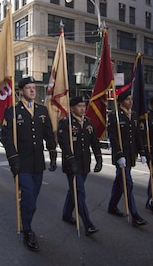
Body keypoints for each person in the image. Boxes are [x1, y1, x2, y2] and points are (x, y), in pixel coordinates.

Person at [1, 77, 57, 251]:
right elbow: (7, 138)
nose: (33, 90)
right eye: (28, 88)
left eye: (34, 88)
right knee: (29, 198)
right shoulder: (12, 111)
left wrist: (53, 153)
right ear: (21, 91)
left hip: (38, 163)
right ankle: (27, 230)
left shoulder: (41, 110)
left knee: (32, 199)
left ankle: (25, 216)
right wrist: (13, 160)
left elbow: (48, 132)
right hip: (22, 162)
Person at [57, 96, 102, 236]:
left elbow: (94, 142)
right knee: (79, 193)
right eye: (79, 106)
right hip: (72, 164)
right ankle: (88, 223)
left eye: (84, 105)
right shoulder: (65, 123)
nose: (83, 108)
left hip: (84, 163)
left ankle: (66, 214)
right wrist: (71, 161)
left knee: (74, 191)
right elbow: (64, 144)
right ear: (71, 108)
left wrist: (99, 159)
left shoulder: (89, 122)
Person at [107, 91, 148, 227]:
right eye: (128, 99)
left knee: (119, 183)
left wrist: (142, 152)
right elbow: (113, 137)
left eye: (131, 99)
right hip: (121, 156)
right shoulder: (115, 116)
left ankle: (112, 206)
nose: (131, 101)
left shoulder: (134, 115)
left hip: (130, 155)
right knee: (127, 183)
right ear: (121, 101)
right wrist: (119, 155)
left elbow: (137, 135)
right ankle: (135, 214)